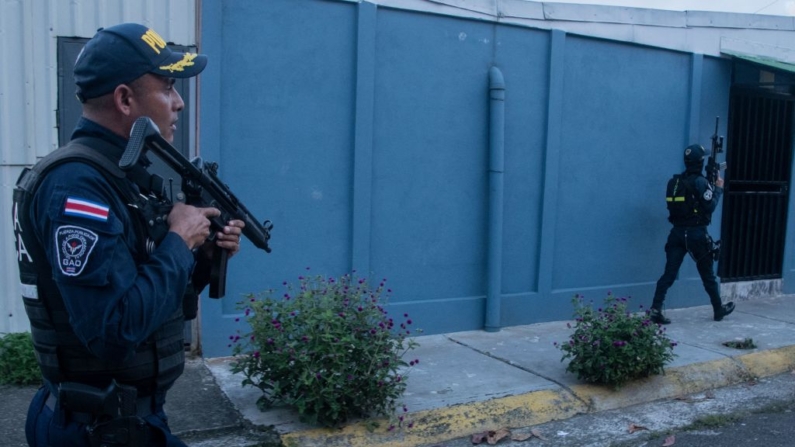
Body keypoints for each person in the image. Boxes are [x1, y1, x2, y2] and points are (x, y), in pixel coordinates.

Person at [12, 23, 244, 446]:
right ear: (124, 99)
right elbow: (111, 333)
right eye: (168, 88)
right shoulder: (78, 186)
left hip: (129, 421)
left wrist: (200, 254)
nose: (179, 104)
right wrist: (178, 241)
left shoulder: (119, 176)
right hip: (96, 429)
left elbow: (152, 300)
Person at [649, 143, 735, 325]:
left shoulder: (675, 182)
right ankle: (718, 309)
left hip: (677, 234)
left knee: (669, 274)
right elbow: (709, 207)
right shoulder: (700, 182)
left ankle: (655, 309)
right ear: (700, 162)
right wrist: (718, 188)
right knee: (707, 275)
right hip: (696, 234)